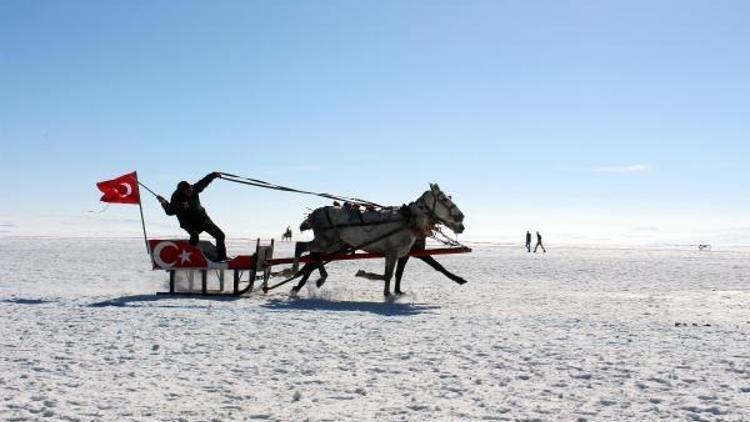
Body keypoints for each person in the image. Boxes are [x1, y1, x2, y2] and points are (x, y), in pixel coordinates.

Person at [158, 172, 227, 261]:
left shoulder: (194, 188)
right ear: (182, 191)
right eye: (188, 191)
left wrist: (213, 175)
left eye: (190, 189)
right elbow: (170, 211)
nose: (190, 192)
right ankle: (189, 257)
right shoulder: (176, 198)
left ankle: (222, 258)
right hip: (188, 222)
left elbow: (204, 182)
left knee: (220, 235)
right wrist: (164, 202)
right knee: (194, 236)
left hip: (202, 219)